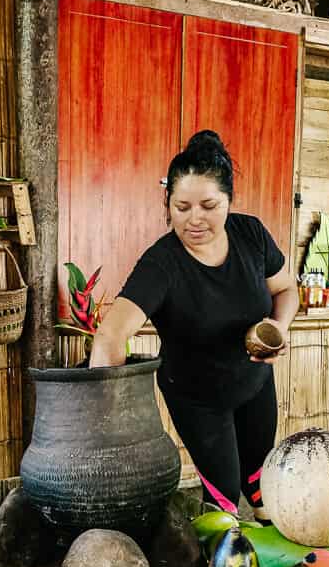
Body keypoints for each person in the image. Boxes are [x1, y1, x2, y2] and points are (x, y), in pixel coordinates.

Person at [89, 130, 299, 518]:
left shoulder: (250, 234)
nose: (195, 219)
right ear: (167, 204)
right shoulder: (162, 264)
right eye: (181, 207)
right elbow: (110, 335)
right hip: (197, 397)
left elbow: (286, 289)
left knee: (261, 484)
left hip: (254, 385)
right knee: (223, 498)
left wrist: (279, 326)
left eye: (209, 205)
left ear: (229, 201)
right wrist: (104, 418)